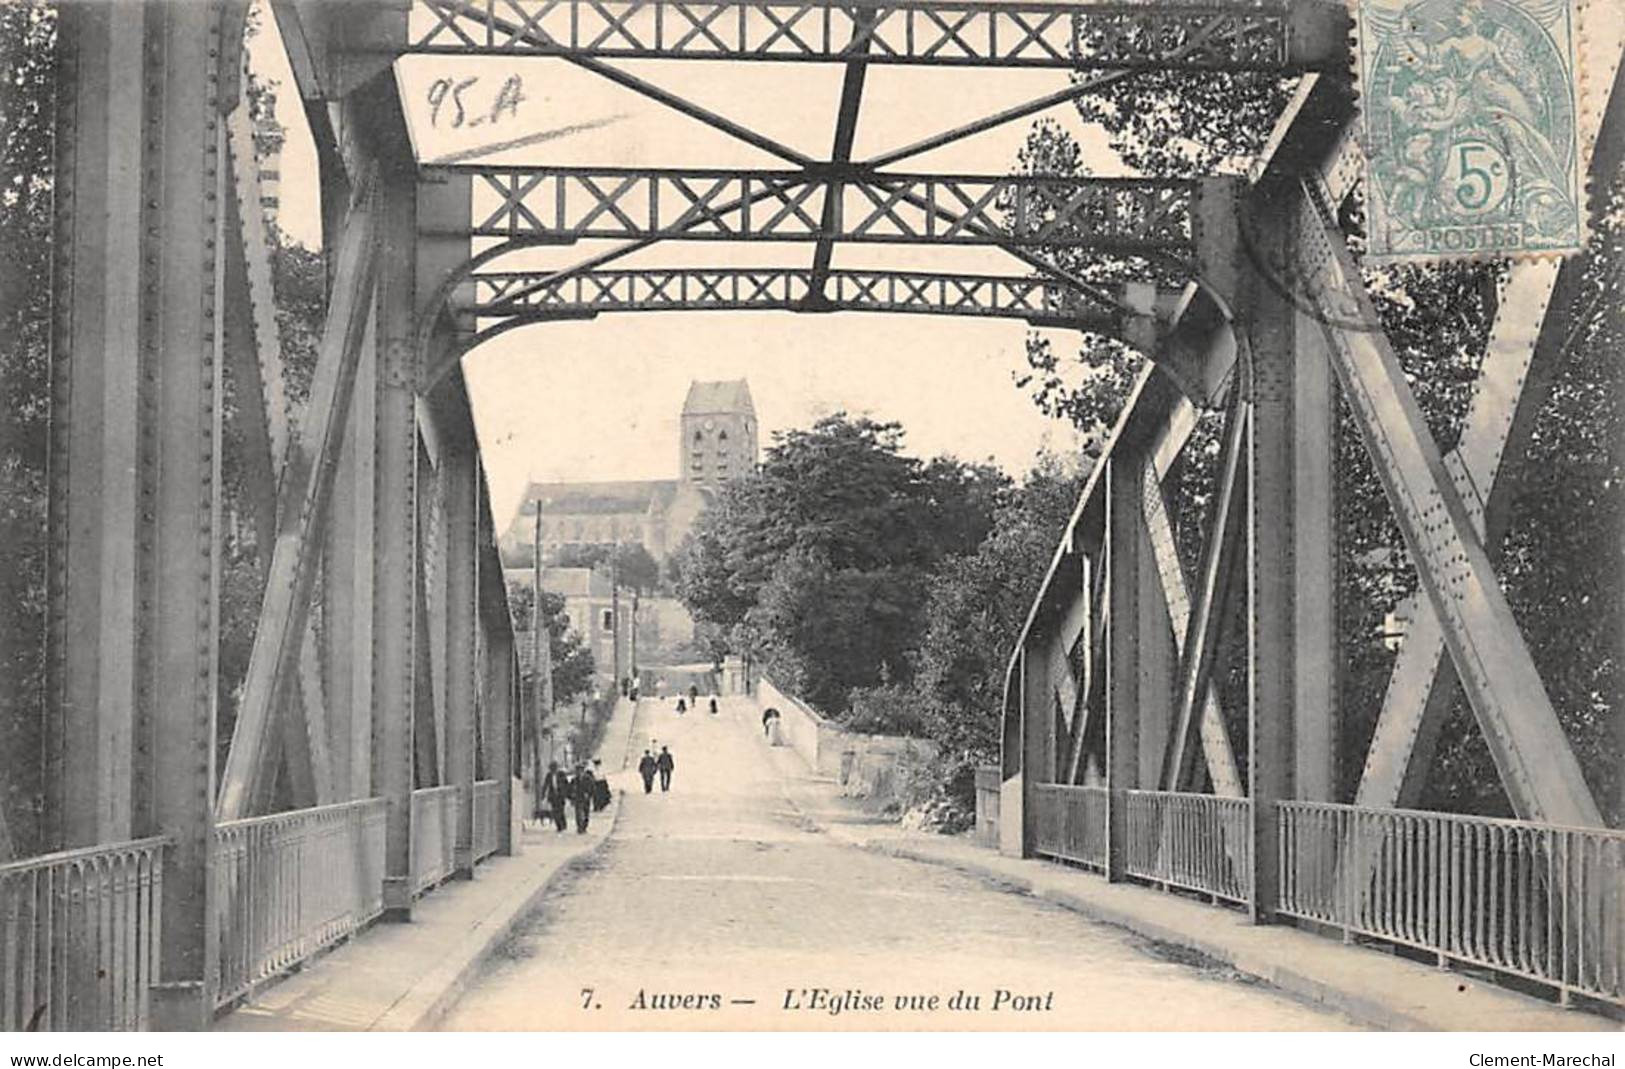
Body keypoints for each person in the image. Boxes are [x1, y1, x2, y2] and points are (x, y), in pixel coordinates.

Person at [540, 761, 570, 833]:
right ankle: (559, 826)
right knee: (555, 812)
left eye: (554, 768)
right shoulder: (549, 775)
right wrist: (543, 795)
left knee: (561, 811)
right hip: (553, 796)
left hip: (560, 796)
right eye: (551, 768)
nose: (553, 769)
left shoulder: (561, 774)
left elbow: (566, 784)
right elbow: (545, 785)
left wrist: (567, 794)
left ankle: (563, 824)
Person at [570, 763, 595, 833]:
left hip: (586, 799)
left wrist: (589, 794)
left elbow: (592, 787)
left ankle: (584, 827)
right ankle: (579, 828)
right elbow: (570, 789)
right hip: (578, 798)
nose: (578, 772)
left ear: (583, 771)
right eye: (577, 771)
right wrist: (572, 797)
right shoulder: (574, 780)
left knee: (586, 814)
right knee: (578, 813)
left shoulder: (588, 778)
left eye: (580, 770)